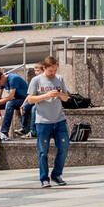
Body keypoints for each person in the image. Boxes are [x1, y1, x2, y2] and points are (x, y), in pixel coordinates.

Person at [26, 55, 70, 188]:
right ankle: (44, 178)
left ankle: (56, 174)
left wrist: (60, 94)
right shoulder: (36, 80)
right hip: (43, 121)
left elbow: (66, 98)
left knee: (64, 146)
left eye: (55, 70)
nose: (53, 73)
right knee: (43, 151)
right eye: (51, 71)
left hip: (59, 119)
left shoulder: (59, 79)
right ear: (44, 68)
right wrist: (47, 95)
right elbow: (30, 100)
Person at [0, 67, 31, 139]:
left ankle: (4, 131)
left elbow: (10, 97)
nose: (0, 85)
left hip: (25, 100)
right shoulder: (1, 81)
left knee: (9, 103)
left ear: (2, 76)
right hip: (15, 100)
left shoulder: (13, 79)